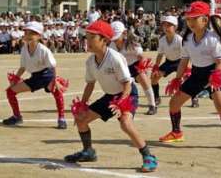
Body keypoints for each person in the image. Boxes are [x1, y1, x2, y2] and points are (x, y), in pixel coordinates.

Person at [64, 19, 158, 172]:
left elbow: (127, 84)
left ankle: (148, 156)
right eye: (87, 37)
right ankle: (88, 152)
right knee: (81, 119)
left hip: (127, 94)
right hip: (110, 96)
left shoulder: (115, 58)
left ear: (105, 40)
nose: (87, 41)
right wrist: (82, 104)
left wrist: (121, 102)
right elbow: (90, 84)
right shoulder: (90, 61)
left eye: (92, 37)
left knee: (125, 124)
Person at [159, 1, 221, 150]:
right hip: (196, 75)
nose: (190, 22)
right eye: (188, 19)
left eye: (194, 18)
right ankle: (176, 133)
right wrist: (177, 78)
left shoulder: (213, 39)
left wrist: (215, 79)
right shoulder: (187, 40)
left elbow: (220, 62)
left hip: (214, 75)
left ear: (205, 20)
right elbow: (184, 61)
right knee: (174, 103)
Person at [3, 20, 67, 129]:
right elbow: (23, 67)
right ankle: (17, 117)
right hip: (35, 77)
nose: (28, 35)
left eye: (32, 33)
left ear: (39, 36)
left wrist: (55, 81)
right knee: (10, 91)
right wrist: (15, 80)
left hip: (47, 75)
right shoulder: (24, 49)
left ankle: (61, 118)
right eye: (26, 33)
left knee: (57, 91)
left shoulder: (43, 50)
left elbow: (52, 66)